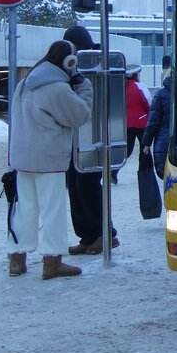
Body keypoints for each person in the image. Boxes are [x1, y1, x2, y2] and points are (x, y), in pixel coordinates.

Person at [7, 39, 92, 279]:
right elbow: (79, 115)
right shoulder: (55, 88)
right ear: (68, 61)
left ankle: (16, 259)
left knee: (25, 209)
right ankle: (52, 261)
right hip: (48, 158)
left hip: (23, 158)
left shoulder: (25, 83)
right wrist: (85, 88)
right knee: (52, 210)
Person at [62, 24, 119, 255]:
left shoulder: (99, 63)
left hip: (96, 135)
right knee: (74, 184)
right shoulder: (72, 66)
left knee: (87, 185)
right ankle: (87, 235)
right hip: (76, 136)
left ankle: (106, 234)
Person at [120, 65, 151, 185]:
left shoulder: (123, 87)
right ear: (135, 75)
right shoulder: (140, 86)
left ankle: (113, 170)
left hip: (127, 123)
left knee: (127, 149)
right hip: (141, 122)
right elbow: (148, 103)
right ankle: (144, 172)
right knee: (144, 148)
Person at [142, 73, 172, 184]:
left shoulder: (161, 94)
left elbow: (153, 121)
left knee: (163, 171)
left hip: (163, 137)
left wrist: (147, 143)